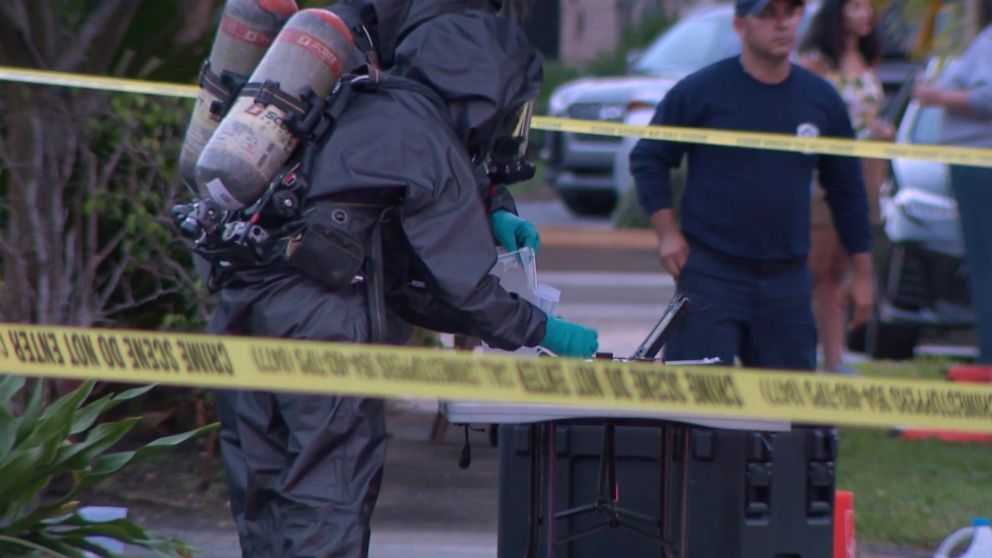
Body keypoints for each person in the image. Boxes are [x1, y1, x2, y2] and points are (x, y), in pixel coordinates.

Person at [206, 8, 598, 558]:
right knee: (329, 493)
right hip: (321, 323)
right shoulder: (425, 135)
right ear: (486, 85)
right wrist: (544, 330)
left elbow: (400, 278)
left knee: (263, 489)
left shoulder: (353, 98)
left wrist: (492, 214)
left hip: (241, 299)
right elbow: (464, 286)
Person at [629, 0, 873, 371]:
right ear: (741, 25)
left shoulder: (820, 100)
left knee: (788, 414)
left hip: (787, 279)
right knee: (698, 409)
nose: (781, 25)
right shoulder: (703, 90)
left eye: (790, 14)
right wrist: (667, 233)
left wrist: (863, 273)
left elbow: (848, 189)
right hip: (711, 271)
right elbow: (649, 156)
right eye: (767, 15)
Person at [798, 0, 893, 372]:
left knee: (844, 265)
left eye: (867, 8)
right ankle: (810, 352)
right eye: (855, 7)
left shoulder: (869, 58)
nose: (864, 15)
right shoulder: (816, 62)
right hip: (828, 169)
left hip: (868, 168)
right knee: (819, 266)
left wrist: (882, 131)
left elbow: (869, 113)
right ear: (837, 13)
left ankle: (836, 357)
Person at [912, 3, 992, 366]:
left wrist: (936, 96)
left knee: (984, 264)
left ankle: (989, 354)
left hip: (979, 167)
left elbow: (986, 98)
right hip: (976, 165)